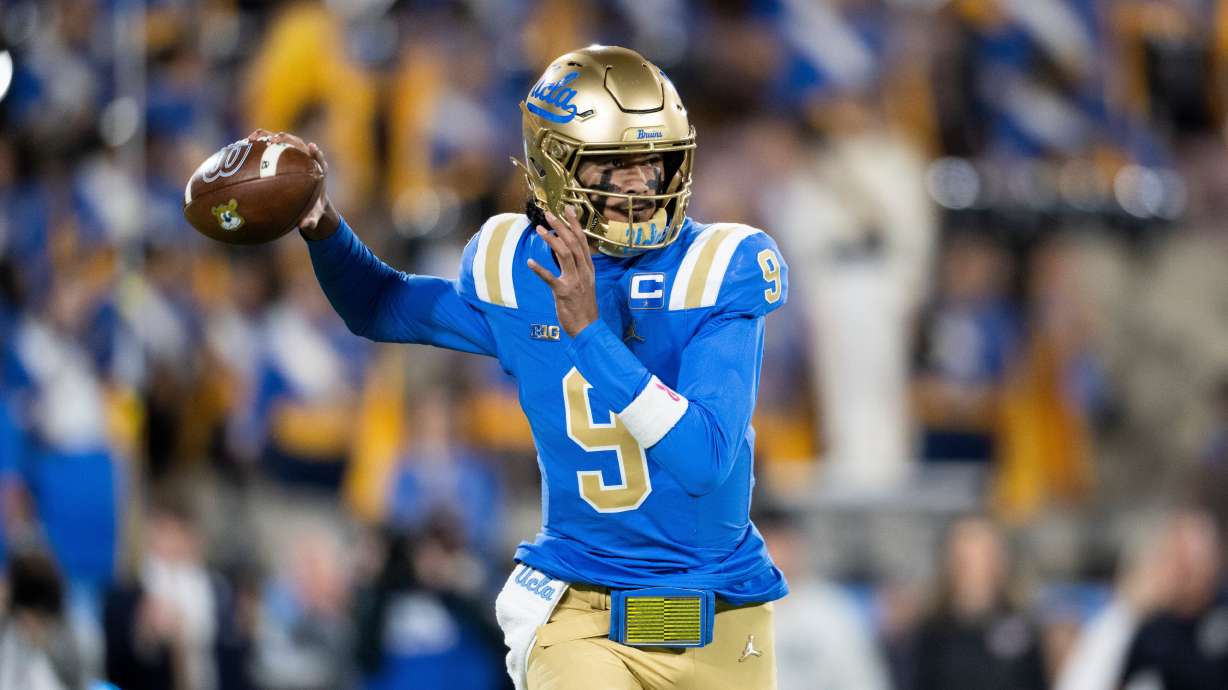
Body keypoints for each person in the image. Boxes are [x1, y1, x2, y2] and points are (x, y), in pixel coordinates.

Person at [273, 44, 789, 690]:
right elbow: (381, 307)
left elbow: (703, 460)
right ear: (554, 166)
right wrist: (322, 226)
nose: (641, 182)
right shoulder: (517, 268)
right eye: (614, 164)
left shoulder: (720, 267)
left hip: (720, 612)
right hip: (583, 606)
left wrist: (588, 334)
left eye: (653, 161)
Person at [1055, 508, 1228, 690]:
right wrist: (1126, 609)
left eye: (1191, 558)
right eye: (1174, 557)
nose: (1181, 571)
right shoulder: (1148, 629)